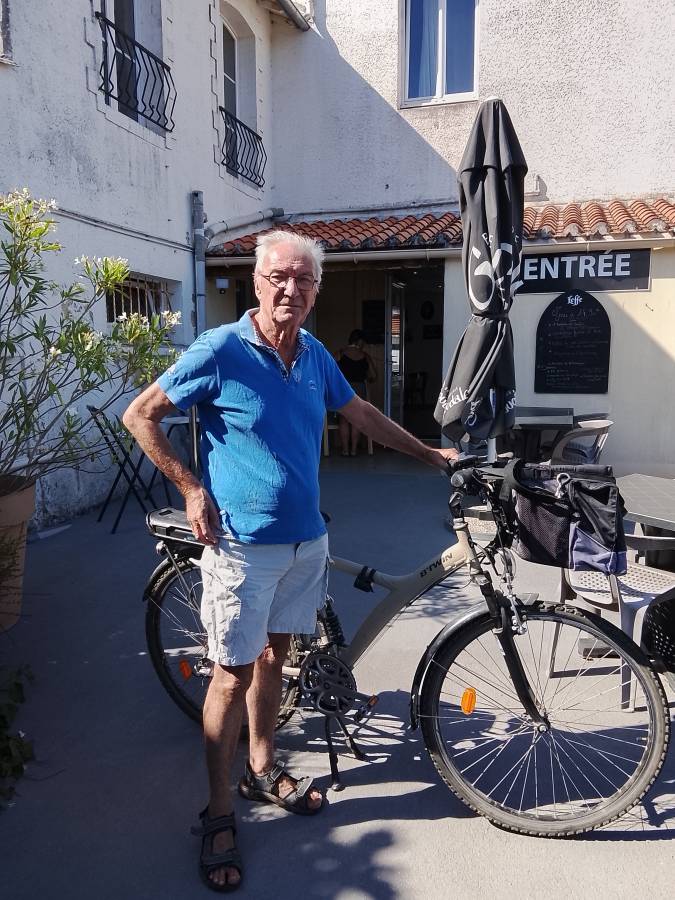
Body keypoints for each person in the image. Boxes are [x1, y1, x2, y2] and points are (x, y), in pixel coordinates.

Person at [122, 231, 458, 892]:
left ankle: (261, 767)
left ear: (315, 291)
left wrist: (429, 454)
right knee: (230, 676)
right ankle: (219, 811)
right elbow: (141, 416)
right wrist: (191, 488)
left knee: (276, 658)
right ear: (256, 281)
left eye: (304, 280)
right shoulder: (220, 350)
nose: (291, 289)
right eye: (279, 276)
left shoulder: (313, 354)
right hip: (241, 546)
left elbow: (360, 412)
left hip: (306, 542)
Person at [336, 329, 376, 456]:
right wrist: (367, 378)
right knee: (355, 420)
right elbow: (374, 375)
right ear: (360, 341)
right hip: (359, 389)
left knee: (343, 419)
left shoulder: (340, 353)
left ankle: (345, 450)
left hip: (343, 388)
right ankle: (353, 450)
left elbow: (331, 371)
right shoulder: (365, 356)